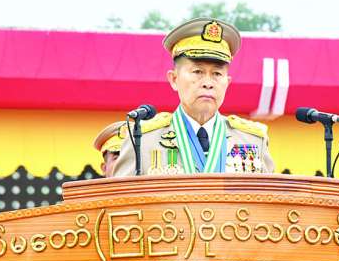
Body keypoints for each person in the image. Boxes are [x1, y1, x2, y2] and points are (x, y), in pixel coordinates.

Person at [108, 18, 276, 177]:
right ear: (174, 79)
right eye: (197, 72)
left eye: (217, 74)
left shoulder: (252, 139)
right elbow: (121, 197)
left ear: (228, 82)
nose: (208, 83)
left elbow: (270, 197)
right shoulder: (143, 140)